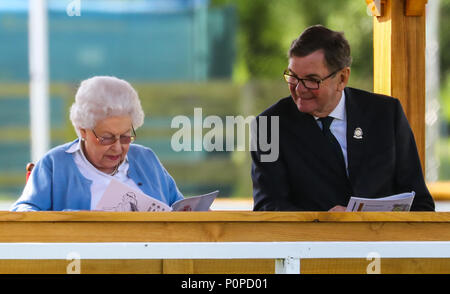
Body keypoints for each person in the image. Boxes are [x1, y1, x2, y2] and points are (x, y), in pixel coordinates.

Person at [251, 25, 435, 212]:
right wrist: (324, 222)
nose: (299, 88)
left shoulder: (386, 114)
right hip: (311, 240)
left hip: (383, 239)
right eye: (293, 77)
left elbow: (420, 203)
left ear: (342, 78)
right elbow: (268, 207)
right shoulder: (269, 126)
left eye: (311, 79)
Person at [11, 76, 184, 211]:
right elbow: (23, 211)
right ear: (83, 130)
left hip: (154, 254)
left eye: (125, 137)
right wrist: (72, 219)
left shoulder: (146, 159)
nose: (117, 147)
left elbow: (180, 207)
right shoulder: (55, 164)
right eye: (107, 138)